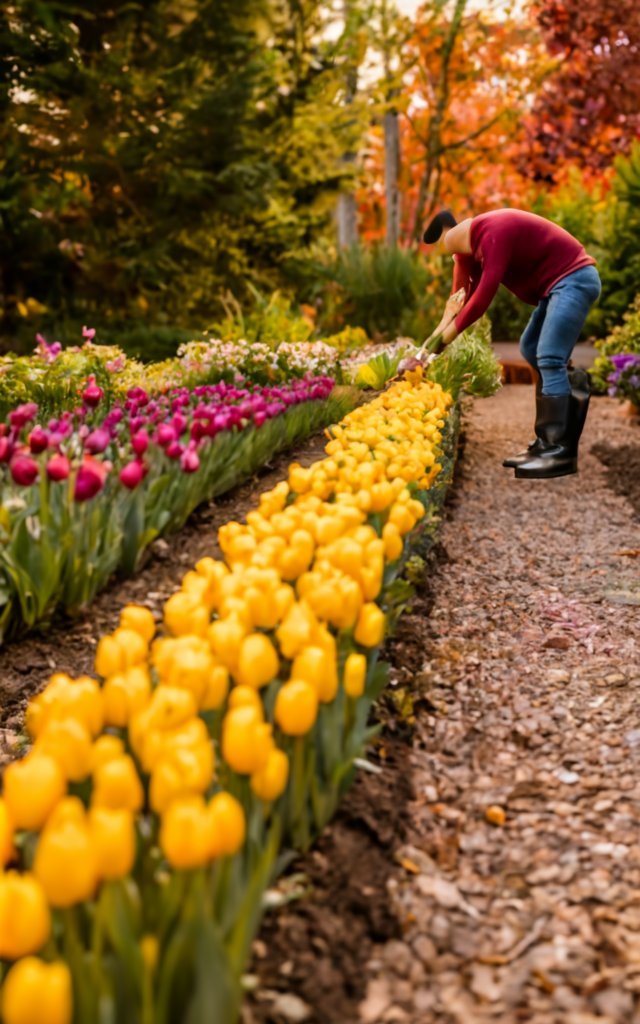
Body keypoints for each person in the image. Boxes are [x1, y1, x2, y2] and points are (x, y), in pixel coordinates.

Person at [419, 208, 601, 479]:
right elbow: (458, 301)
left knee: (549, 356)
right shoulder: (466, 250)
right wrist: (427, 348)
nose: (454, 257)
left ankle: (558, 449)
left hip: (573, 278)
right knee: (531, 348)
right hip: (553, 288)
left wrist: (444, 341)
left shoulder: (493, 232)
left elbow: (480, 301)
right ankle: (546, 441)